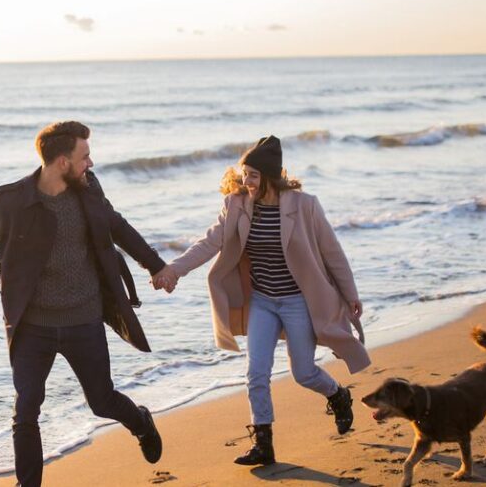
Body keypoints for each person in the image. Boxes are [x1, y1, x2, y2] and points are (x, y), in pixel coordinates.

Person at [0, 121, 172, 486]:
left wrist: (157, 266)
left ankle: (140, 422)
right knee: (26, 410)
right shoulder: (9, 201)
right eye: (84, 156)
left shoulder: (88, 191)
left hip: (83, 318)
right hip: (31, 325)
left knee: (102, 400)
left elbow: (118, 227)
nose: (90, 163)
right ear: (61, 162)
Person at [151, 135, 369, 466]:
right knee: (256, 373)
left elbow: (332, 253)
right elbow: (210, 243)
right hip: (262, 301)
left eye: (253, 175)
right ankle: (263, 443)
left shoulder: (304, 205)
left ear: (270, 176)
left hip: (297, 301)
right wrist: (173, 270)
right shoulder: (236, 204)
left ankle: (338, 395)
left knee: (304, 373)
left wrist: (350, 294)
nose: (246, 181)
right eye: (244, 174)